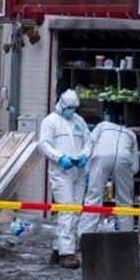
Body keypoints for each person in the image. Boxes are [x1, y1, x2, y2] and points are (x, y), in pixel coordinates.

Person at [37, 89, 89, 268]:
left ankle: (58, 249)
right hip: (61, 172)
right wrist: (59, 157)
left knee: (74, 212)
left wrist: (84, 155)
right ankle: (68, 253)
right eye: (70, 108)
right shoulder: (50, 122)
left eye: (75, 108)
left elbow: (89, 142)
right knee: (67, 210)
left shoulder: (79, 122)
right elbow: (43, 144)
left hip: (78, 171)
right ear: (62, 105)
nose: (72, 111)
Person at [84, 119, 140, 233]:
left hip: (101, 156)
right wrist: (127, 176)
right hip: (123, 159)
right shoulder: (131, 135)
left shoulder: (102, 125)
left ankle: (85, 235)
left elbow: (89, 144)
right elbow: (135, 166)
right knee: (124, 200)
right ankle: (126, 236)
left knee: (94, 197)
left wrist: (87, 170)